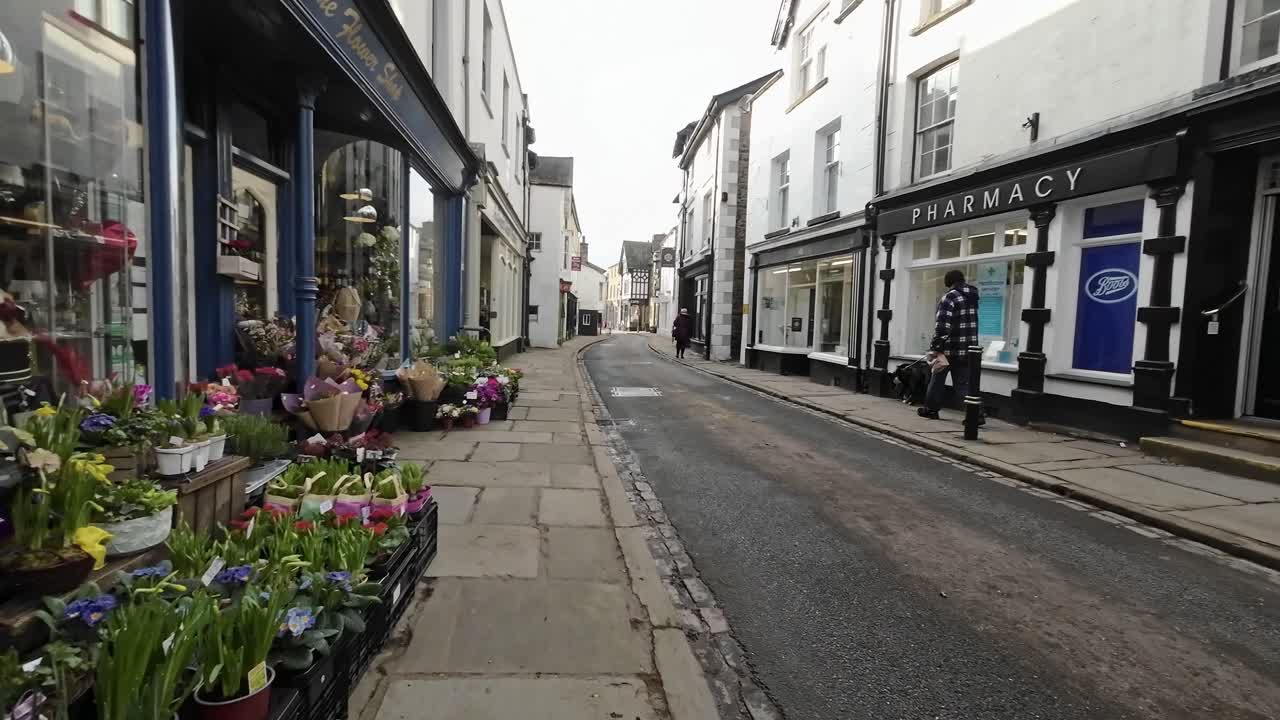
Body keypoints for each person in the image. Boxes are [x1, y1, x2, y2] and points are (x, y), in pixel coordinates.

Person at [919, 269, 979, 420]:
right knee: (963, 384)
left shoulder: (949, 297)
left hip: (949, 348)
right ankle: (976, 414)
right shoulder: (973, 297)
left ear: (949, 281)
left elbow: (942, 325)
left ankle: (931, 409)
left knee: (937, 379)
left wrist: (935, 345)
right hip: (968, 349)